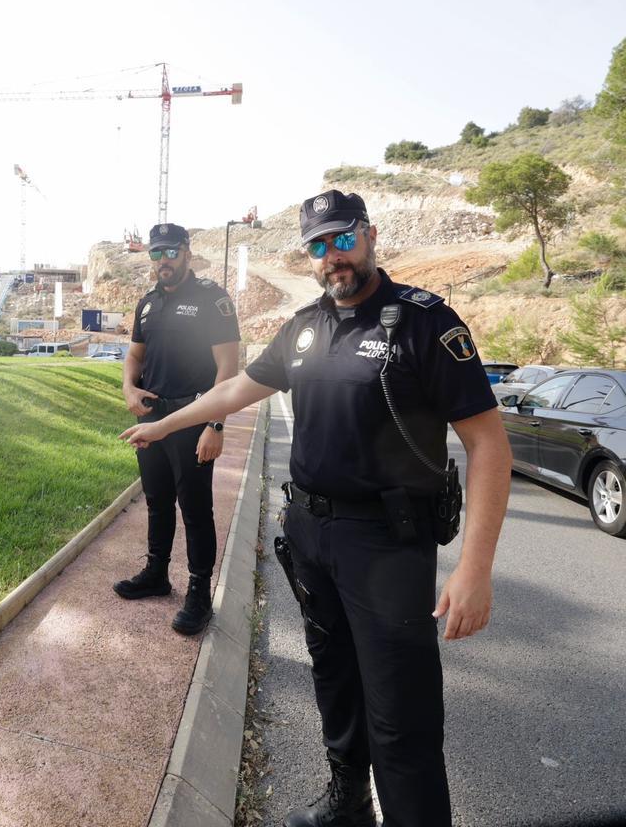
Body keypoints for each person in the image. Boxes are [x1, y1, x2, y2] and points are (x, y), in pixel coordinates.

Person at [120, 191, 512, 827]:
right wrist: (166, 427)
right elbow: (235, 389)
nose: (333, 257)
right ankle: (348, 800)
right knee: (332, 675)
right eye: (319, 246)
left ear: (370, 235)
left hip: (386, 544)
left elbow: (488, 443)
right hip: (309, 533)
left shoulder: (424, 323)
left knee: (401, 712)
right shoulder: (304, 327)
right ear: (308, 255)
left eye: (343, 239)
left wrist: (476, 567)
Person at [115, 222, 241, 636]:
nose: (163, 260)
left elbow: (228, 368)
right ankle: (156, 575)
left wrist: (215, 423)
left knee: (195, 508)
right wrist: (128, 388)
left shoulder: (212, 300)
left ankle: (200, 593)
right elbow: (135, 355)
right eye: (156, 254)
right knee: (157, 501)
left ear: (187, 252)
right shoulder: (147, 303)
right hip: (151, 418)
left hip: (192, 418)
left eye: (170, 252)